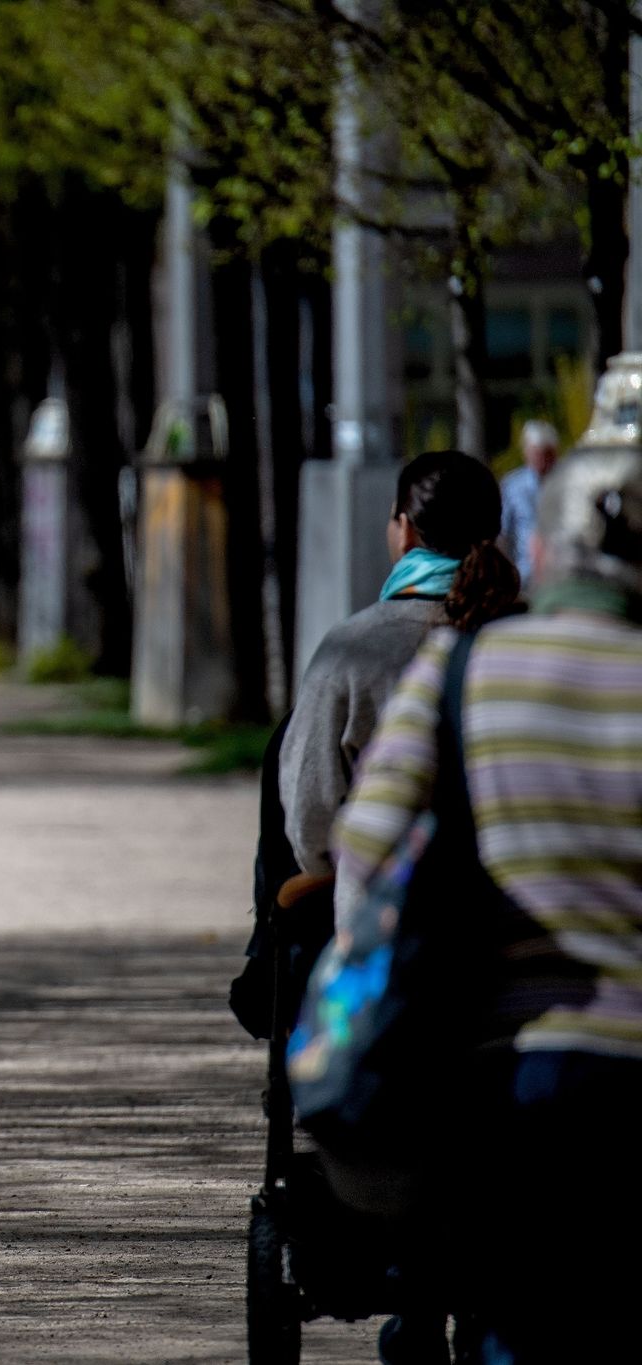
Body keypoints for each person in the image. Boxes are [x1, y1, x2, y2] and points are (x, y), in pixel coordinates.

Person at [334, 445, 642, 1361]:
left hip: (512, 1074)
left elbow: (365, 862)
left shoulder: (463, 674)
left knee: (516, 1321)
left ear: (543, 554)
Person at [280, 450, 520, 890]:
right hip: (526, 925)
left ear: (405, 529)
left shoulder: (353, 649)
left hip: (385, 926)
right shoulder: (533, 639)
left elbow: (310, 816)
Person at [498, 419, 559, 574]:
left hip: (559, 572)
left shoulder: (566, 483)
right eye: (536, 452)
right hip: (524, 572)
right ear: (526, 452)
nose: (541, 459)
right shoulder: (512, 486)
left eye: (546, 453)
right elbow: (504, 532)